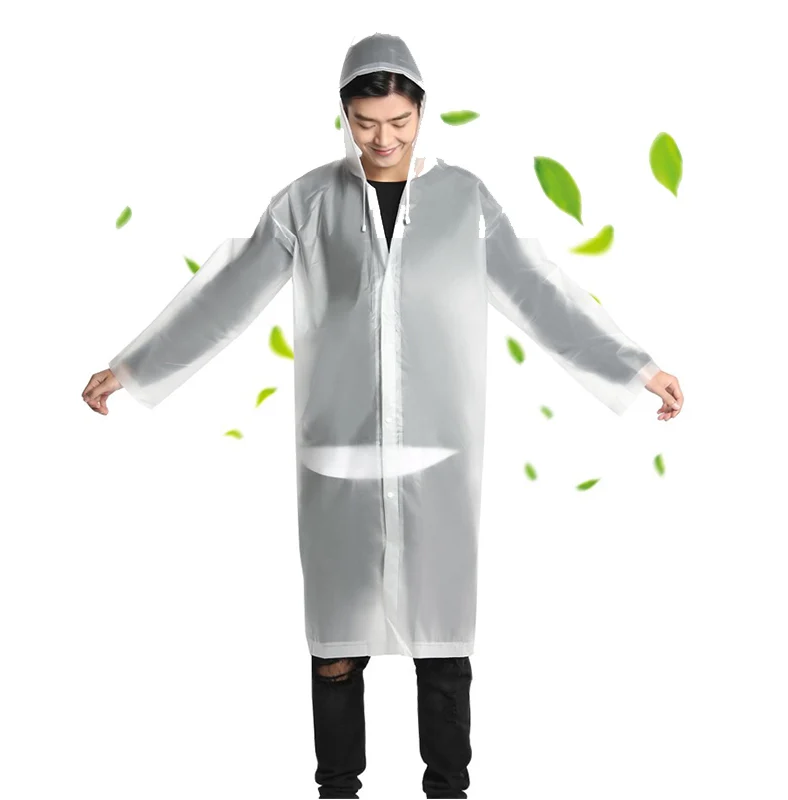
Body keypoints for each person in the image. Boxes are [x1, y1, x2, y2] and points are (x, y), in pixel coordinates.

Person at [82, 32, 684, 800]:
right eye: (366, 123)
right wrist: (134, 367)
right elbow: (228, 291)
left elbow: (540, 291)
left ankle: (448, 789)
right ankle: (338, 789)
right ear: (344, 115)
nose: (383, 138)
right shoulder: (307, 201)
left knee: (442, 640)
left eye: (399, 122)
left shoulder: (465, 200)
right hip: (338, 453)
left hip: (439, 452)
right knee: (337, 643)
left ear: (423, 113)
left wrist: (637, 368)